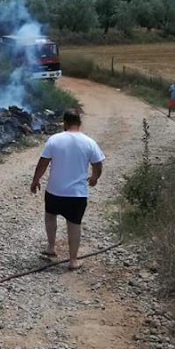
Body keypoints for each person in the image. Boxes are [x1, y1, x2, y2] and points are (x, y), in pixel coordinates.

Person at [30, 109, 105, 270]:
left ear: (64, 123)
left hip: (54, 191)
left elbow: (42, 163)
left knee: (50, 216)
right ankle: (73, 261)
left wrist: (35, 180)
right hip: (77, 194)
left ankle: (50, 247)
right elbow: (98, 164)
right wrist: (94, 177)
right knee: (74, 224)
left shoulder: (54, 140)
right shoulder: (89, 142)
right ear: (80, 123)